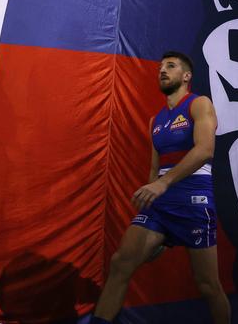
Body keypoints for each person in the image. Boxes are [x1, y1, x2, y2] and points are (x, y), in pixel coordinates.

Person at [90, 51, 230, 324]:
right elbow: (155, 170)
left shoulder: (199, 104)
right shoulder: (156, 121)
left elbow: (205, 150)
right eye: (160, 67)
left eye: (171, 66)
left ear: (187, 76)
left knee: (208, 286)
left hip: (194, 198)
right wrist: (151, 190)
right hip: (162, 201)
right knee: (121, 263)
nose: (162, 71)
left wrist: (163, 183)